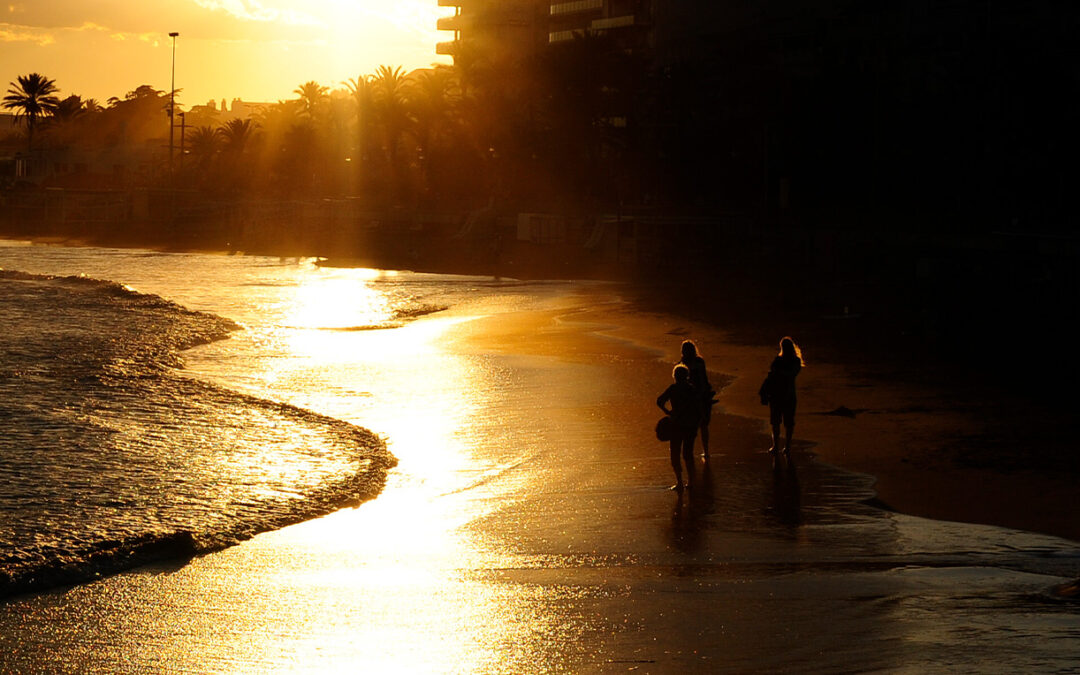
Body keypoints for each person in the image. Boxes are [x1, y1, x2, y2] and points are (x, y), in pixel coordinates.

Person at [657, 363, 701, 491]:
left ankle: (679, 482)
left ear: (674, 376)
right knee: (688, 454)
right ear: (686, 376)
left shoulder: (673, 388)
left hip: (676, 425)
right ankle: (691, 482)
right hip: (690, 425)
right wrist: (697, 423)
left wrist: (668, 412)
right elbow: (698, 409)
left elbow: (659, 401)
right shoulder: (691, 389)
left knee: (675, 454)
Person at [766, 337, 803, 455]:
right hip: (788, 395)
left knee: (777, 422)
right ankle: (786, 446)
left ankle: (777, 446)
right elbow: (792, 374)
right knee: (788, 422)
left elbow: (773, 373)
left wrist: (780, 373)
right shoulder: (795, 360)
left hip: (778, 395)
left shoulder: (779, 360)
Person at [678, 340, 715, 458]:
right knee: (699, 425)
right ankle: (704, 451)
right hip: (695, 397)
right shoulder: (693, 362)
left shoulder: (689, 363)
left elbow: (702, 379)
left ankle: (703, 451)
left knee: (699, 425)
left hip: (698, 397)